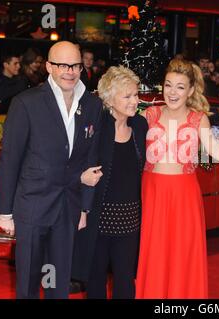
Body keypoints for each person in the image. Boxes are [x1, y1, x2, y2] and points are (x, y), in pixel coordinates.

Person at [0, 41, 103, 298]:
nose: (69, 71)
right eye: (62, 65)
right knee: (30, 279)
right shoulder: (26, 103)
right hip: (32, 205)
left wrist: (85, 208)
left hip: (68, 207)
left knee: (58, 279)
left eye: (75, 65)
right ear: (48, 67)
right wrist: (5, 212)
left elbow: (91, 157)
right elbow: (10, 159)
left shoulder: (91, 105)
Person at [135, 58, 219, 299]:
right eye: (168, 85)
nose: (172, 92)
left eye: (180, 86)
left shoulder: (199, 118)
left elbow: (213, 149)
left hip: (184, 195)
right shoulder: (149, 114)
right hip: (153, 192)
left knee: (181, 252)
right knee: (154, 251)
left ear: (190, 90)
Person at [72, 66, 148, 299]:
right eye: (127, 96)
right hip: (99, 217)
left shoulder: (139, 126)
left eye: (136, 95)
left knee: (125, 280)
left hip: (130, 220)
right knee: (95, 279)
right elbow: (75, 163)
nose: (135, 101)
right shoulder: (95, 127)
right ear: (109, 98)